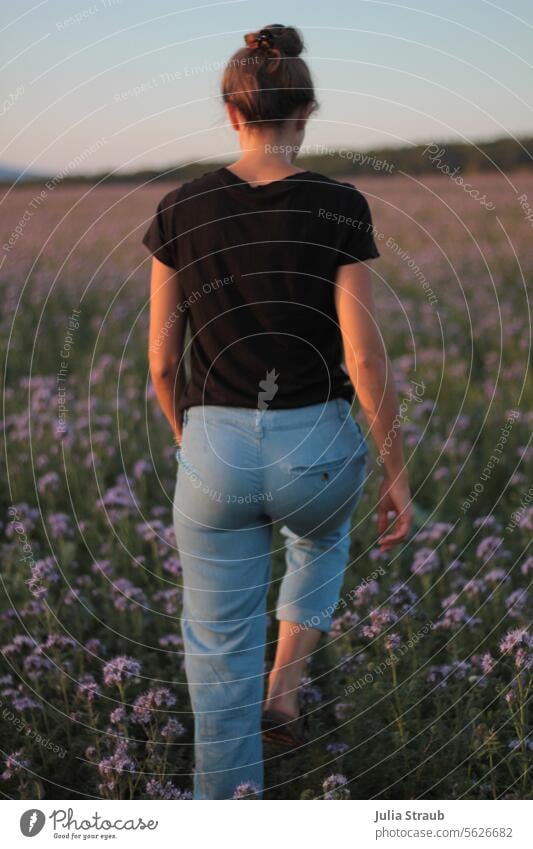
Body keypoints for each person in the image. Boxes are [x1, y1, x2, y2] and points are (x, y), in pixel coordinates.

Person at [142, 24, 412, 800]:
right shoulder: (339, 204)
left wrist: (189, 435)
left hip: (214, 447)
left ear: (231, 113)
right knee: (321, 536)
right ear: (306, 113)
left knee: (217, 652)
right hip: (318, 445)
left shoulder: (180, 208)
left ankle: (226, 807)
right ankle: (286, 683)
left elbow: (161, 362)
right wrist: (397, 474)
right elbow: (362, 358)